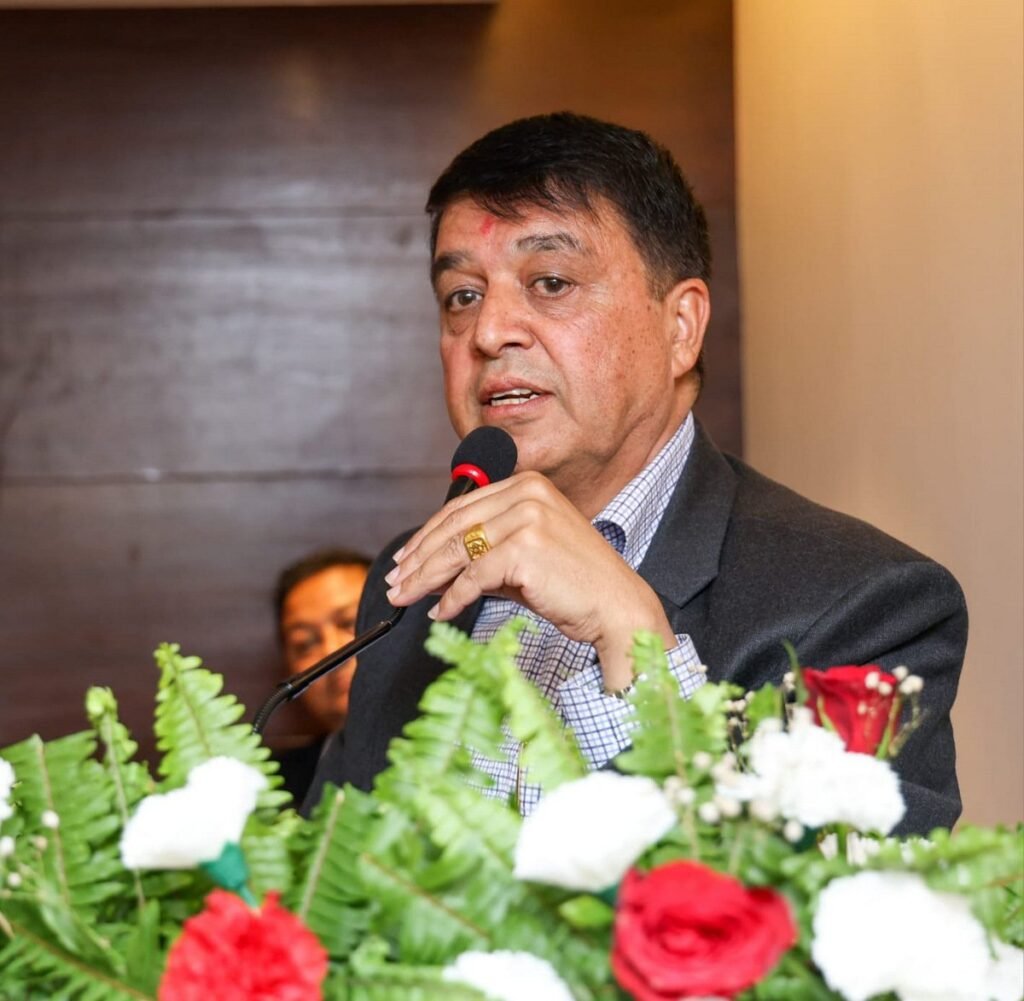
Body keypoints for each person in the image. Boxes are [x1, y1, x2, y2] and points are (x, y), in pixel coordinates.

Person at [305, 112, 967, 835]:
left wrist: (634, 642)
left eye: (550, 282)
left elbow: (837, 896)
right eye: (462, 295)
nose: (489, 332)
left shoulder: (862, 603)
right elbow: (329, 875)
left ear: (680, 327)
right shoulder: (413, 577)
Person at [272, 547, 370, 804]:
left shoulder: (463, 756)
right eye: (305, 643)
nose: (331, 652)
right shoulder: (268, 791)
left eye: (349, 623)